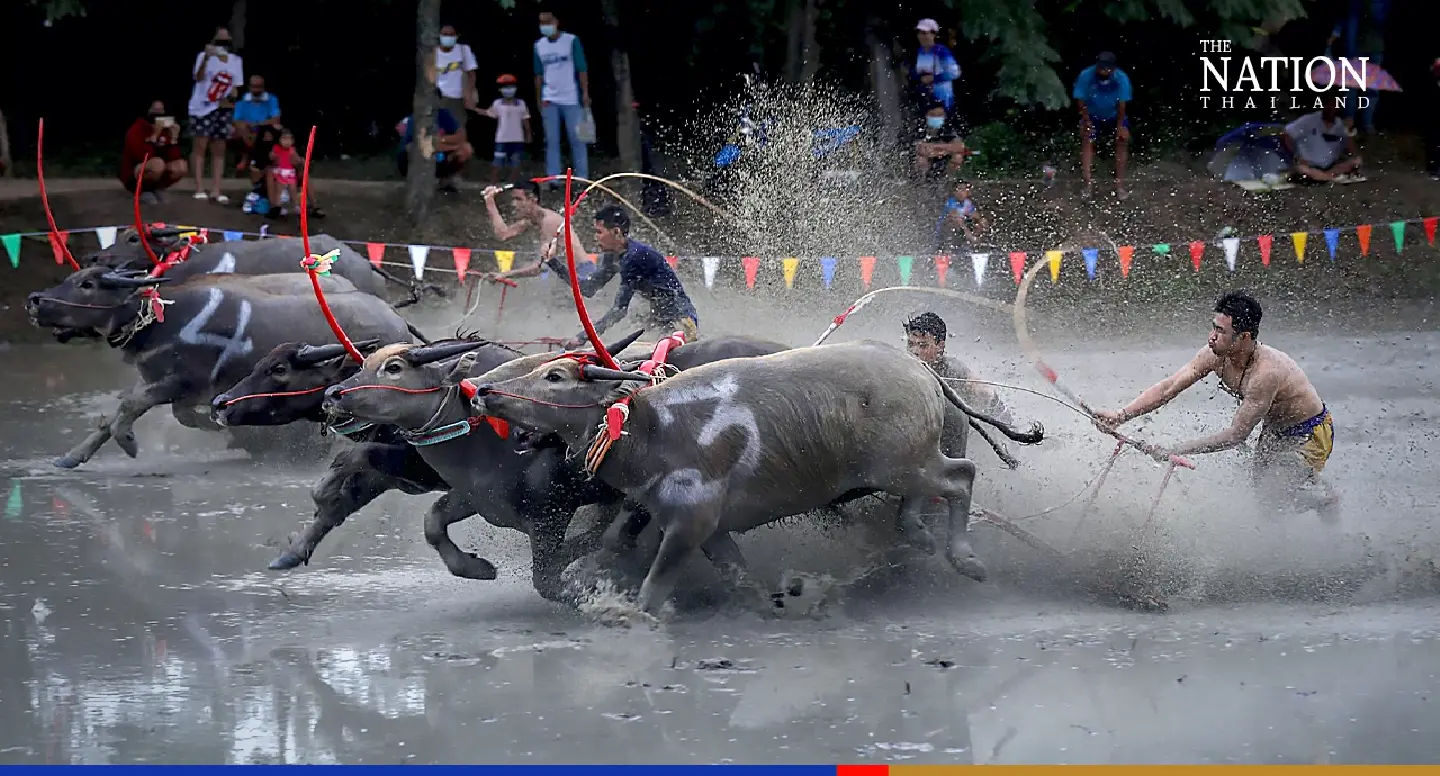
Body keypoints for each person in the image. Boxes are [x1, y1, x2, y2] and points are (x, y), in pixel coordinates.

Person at [1091, 291, 1340, 522]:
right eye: (1213, 327)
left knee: (1274, 500)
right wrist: (1120, 415)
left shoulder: (1266, 374)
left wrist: (1175, 449)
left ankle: (1325, 503)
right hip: (1274, 430)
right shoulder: (1214, 353)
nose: (1211, 336)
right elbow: (1169, 387)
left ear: (1244, 337)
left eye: (1220, 331)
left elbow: (1236, 435)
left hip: (1308, 433)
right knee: (1266, 506)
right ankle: (1310, 494)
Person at [556, 206, 699, 347]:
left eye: (599, 232)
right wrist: (553, 263)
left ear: (616, 232)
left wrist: (581, 338)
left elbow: (619, 310)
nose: (595, 237)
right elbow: (589, 288)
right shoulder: (612, 256)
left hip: (681, 321)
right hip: (660, 320)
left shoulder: (634, 256)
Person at [903, 312, 1014, 425]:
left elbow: (1004, 417)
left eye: (923, 346)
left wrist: (990, 399)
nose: (914, 351)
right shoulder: (902, 366)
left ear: (940, 347)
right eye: (910, 344)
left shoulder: (955, 372)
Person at [480, 181, 589, 283]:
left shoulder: (548, 221)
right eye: (513, 199)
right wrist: (490, 202)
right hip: (568, 274)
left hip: (582, 273)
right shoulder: (531, 220)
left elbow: (539, 267)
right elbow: (502, 234)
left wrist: (504, 274)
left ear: (533, 200)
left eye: (518, 199)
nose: (513, 204)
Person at [533, 10, 592, 185]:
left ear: (556, 21)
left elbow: (581, 69)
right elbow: (538, 75)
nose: (545, 26)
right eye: (541, 23)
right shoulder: (539, 45)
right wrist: (539, 98)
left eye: (548, 22)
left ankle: (582, 177)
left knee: (578, 139)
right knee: (551, 140)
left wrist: (585, 93)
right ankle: (554, 179)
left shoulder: (571, 41)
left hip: (571, 98)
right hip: (549, 99)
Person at [187, 26, 244, 203]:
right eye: (219, 40)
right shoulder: (203, 57)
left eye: (225, 40)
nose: (222, 44)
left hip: (223, 108)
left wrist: (231, 102)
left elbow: (236, 86)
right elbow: (198, 77)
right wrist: (206, 57)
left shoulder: (235, 60)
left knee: (219, 149)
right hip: (202, 107)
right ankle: (198, 188)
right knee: (200, 147)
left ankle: (216, 190)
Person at [1073, 51, 1132, 201]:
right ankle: (1088, 185)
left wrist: (1120, 126)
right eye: (1101, 67)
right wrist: (1086, 121)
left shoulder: (1121, 78)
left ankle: (1119, 186)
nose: (1103, 71)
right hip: (1092, 115)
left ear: (1113, 68)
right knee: (1087, 139)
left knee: (1122, 139)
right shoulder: (1086, 75)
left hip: (1114, 115)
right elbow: (1080, 100)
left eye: (1107, 68)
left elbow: (1122, 105)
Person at [120, 100, 188, 203]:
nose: (158, 115)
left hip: (157, 168)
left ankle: (157, 188)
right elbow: (141, 156)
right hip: (134, 173)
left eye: (161, 111)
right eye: (155, 110)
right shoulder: (137, 129)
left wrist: (173, 139)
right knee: (157, 164)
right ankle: (142, 191)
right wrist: (154, 136)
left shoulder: (165, 130)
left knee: (181, 166)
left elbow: (173, 157)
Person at [231, 75, 282, 211]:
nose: (257, 89)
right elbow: (237, 120)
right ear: (249, 87)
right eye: (254, 86)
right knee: (240, 129)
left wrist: (258, 124)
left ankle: (248, 157)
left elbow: (275, 119)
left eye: (259, 86)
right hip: (249, 132)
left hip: (264, 131)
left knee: (272, 129)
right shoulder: (242, 102)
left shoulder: (271, 99)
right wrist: (250, 127)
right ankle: (248, 156)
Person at [1282, 99, 1364, 183]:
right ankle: (1329, 177)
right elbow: (1287, 134)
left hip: (1331, 167)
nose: (1332, 109)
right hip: (1309, 165)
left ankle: (1324, 177)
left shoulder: (1341, 125)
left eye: (1334, 106)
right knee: (1302, 170)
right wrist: (1297, 156)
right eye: (1329, 106)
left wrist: (1349, 132)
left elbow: (1352, 152)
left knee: (1356, 161)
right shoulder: (1308, 120)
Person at [396, 102, 473, 191]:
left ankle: (446, 180)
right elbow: (424, 144)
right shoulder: (417, 117)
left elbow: (461, 135)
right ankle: (417, 181)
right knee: (417, 148)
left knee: (466, 149)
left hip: (439, 153)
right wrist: (452, 146)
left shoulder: (443, 114)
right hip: (413, 158)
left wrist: (442, 139)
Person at [479, 74, 532, 183]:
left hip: (517, 139)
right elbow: (489, 113)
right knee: (497, 164)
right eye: (505, 86)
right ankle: (492, 185)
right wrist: (474, 108)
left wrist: (529, 134)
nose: (508, 89)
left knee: (516, 165)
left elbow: (525, 120)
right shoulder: (497, 103)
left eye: (511, 86)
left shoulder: (521, 104)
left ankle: (511, 185)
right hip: (501, 140)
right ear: (500, 89)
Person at [910, 19, 961, 119]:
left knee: (935, 127)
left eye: (925, 33)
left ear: (933, 35)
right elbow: (918, 73)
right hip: (926, 98)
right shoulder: (920, 52)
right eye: (919, 33)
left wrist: (934, 78)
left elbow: (955, 72)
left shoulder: (942, 51)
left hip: (942, 99)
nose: (921, 36)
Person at [430, 24, 479, 125]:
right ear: (439, 36)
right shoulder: (433, 52)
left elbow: (471, 74)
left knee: (458, 129)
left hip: (458, 99)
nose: (448, 37)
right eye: (445, 34)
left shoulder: (463, 49)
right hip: (440, 97)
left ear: (456, 36)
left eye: (451, 35)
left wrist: (469, 95)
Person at [915, 101, 968, 181]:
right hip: (927, 157)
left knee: (958, 156)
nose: (936, 118)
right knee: (921, 159)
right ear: (926, 115)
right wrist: (945, 148)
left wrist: (935, 148)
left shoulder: (948, 128)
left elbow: (959, 147)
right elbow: (921, 149)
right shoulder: (919, 128)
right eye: (933, 115)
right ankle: (920, 181)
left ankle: (949, 180)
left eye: (939, 115)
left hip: (941, 156)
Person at [935, 179, 988, 251]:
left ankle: (978, 244)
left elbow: (976, 216)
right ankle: (970, 240)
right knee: (957, 220)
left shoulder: (967, 202)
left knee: (982, 221)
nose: (961, 192)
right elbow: (953, 215)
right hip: (946, 228)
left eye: (964, 189)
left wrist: (977, 219)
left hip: (962, 227)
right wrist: (967, 232)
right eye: (959, 189)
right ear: (954, 192)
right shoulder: (951, 201)